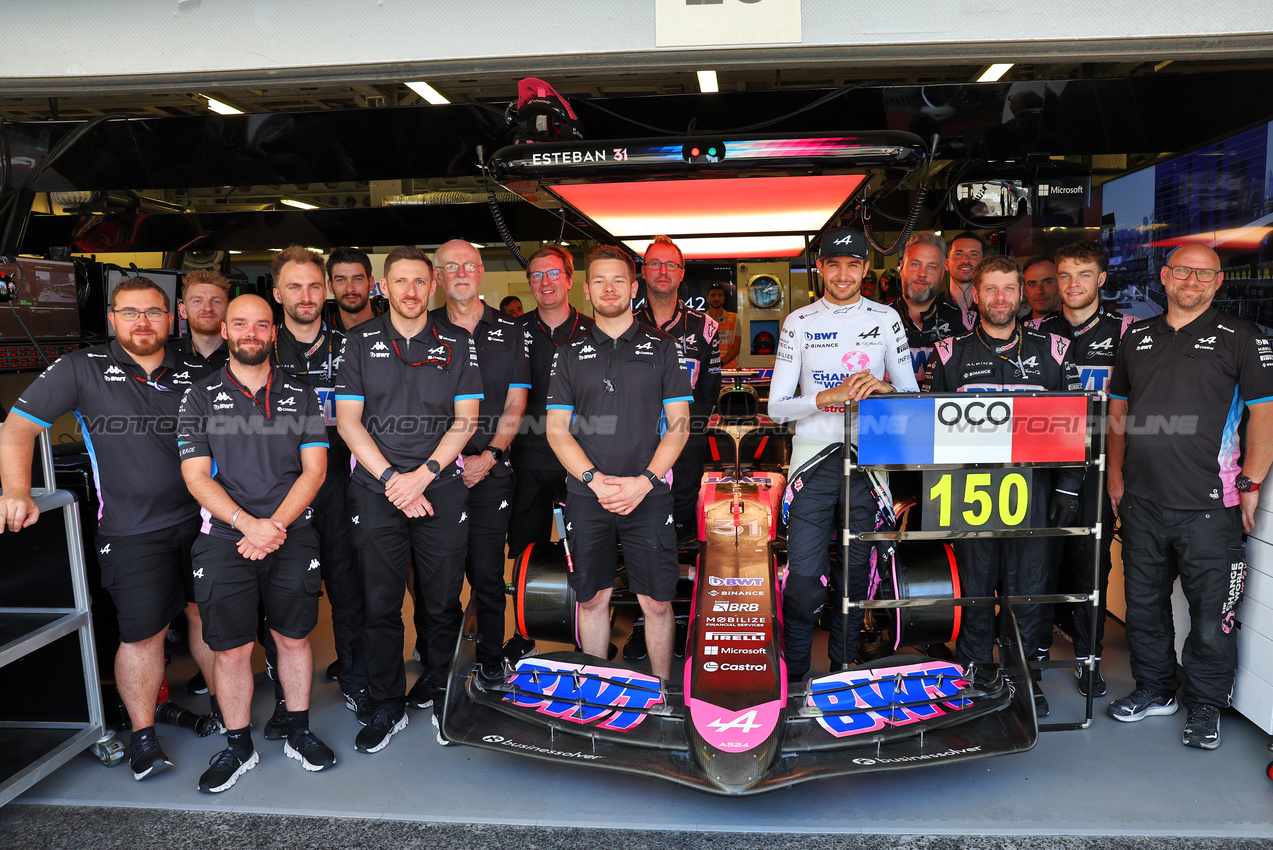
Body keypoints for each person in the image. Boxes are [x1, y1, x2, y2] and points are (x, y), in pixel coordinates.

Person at [0, 276, 220, 782]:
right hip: (131, 531)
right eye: (131, 312)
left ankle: (230, 724)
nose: (143, 322)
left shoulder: (197, 367)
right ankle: (144, 738)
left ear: (172, 318)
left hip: (208, 521)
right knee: (143, 636)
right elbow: (18, 428)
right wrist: (15, 491)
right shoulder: (83, 367)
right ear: (113, 318)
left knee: (208, 620)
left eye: (153, 312)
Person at [1106, 243, 1273, 749]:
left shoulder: (1243, 338)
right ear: (1165, 276)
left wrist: (1251, 482)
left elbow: (1265, 416)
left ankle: (1205, 705)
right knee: (1144, 606)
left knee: (1211, 615)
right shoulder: (1136, 336)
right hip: (1141, 502)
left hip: (1210, 506)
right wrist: (1116, 477)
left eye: (1204, 274)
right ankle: (1156, 690)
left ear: (1219, 282)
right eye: (1183, 271)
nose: (1192, 281)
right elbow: (1118, 413)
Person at [178, 294, 334, 792]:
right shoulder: (198, 397)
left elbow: (315, 470)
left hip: (290, 535)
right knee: (232, 650)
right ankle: (237, 745)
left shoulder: (302, 393)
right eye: (240, 324)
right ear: (225, 331)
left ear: (273, 333)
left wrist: (273, 528)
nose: (251, 332)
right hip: (225, 539)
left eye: (260, 325)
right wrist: (249, 524)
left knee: (292, 637)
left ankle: (299, 730)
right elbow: (196, 477)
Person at [336, 246, 481, 751]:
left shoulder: (459, 343)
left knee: (441, 600)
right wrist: (395, 481)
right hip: (377, 490)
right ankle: (387, 705)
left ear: (433, 285)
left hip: (439, 486)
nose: (411, 292)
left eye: (420, 282)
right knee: (379, 603)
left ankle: (442, 691)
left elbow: (465, 420)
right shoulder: (356, 343)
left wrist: (424, 474)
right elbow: (349, 423)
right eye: (400, 282)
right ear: (383, 287)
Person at [930, 254, 1083, 717]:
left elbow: (1075, 425)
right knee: (975, 587)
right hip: (968, 491)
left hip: (1033, 489)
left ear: (1021, 294)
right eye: (990, 289)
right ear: (975, 295)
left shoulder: (1054, 350)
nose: (1000, 298)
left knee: (1030, 587)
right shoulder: (948, 353)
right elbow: (930, 432)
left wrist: (1069, 487)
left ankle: (1025, 675)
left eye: (1009, 289)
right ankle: (974, 676)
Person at [768, 228, 918, 683]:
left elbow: (912, 396)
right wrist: (823, 397)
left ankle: (842, 672)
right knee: (803, 582)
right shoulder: (799, 321)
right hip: (812, 463)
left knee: (856, 577)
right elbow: (776, 409)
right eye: (833, 263)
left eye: (853, 264)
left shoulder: (887, 317)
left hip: (868, 462)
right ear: (820, 268)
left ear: (866, 270)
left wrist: (884, 388)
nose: (842, 274)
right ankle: (794, 680)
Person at [546, 245, 692, 682]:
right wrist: (593, 480)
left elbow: (680, 425)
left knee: (656, 602)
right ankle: (598, 690)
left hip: (648, 494)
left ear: (634, 287)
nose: (609, 289)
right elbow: (556, 430)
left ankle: (663, 696)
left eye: (618, 280)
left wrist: (644, 482)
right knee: (593, 599)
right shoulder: (568, 352)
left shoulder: (664, 348)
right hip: (588, 496)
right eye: (600, 281)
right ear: (587, 290)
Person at [269, 246, 369, 728]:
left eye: (313, 286)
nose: (305, 296)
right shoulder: (259, 347)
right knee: (281, 596)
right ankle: (282, 699)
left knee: (349, 589)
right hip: (277, 495)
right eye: (294, 286)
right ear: (277, 293)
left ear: (325, 290)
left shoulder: (352, 346)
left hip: (339, 488)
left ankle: (356, 679)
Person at [1032, 241, 1134, 697]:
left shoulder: (1129, 332)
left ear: (1102, 279)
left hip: (1098, 464)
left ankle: (1089, 660)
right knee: (1035, 562)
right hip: (1045, 465)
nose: (1073, 285)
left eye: (1084, 275)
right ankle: (1030, 658)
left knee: (1091, 566)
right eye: (1065, 276)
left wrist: (1122, 470)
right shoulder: (1034, 332)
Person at [430, 240, 529, 686]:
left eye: (468, 264)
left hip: (492, 471)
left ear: (482, 270)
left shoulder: (510, 330)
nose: (461, 272)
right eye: (451, 266)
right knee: (442, 581)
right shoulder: (422, 329)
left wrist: (490, 456)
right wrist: (446, 463)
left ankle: (491, 662)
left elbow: (516, 403)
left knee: (488, 575)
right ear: (438, 276)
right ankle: (443, 670)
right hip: (436, 477)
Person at [631, 235, 720, 660]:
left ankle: (677, 618)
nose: (663, 271)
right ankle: (638, 621)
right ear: (643, 272)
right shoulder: (620, 320)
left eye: (671, 264)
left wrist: (684, 437)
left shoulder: (706, 328)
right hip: (631, 450)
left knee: (678, 533)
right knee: (635, 535)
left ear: (682, 273)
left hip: (685, 451)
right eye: (655, 264)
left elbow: (710, 391)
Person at [506, 246, 594, 663]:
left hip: (583, 459)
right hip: (526, 458)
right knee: (527, 550)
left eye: (553, 274)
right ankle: (525, 634)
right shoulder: (512, 333)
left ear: (570, 279)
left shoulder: (595, 331)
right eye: (537, 275)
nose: (545, 282)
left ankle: (588, 630)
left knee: (587, 547)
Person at [888, 231, 964, 391]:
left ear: (942, 273)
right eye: (915, 264)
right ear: (901, 267)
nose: (922, 274)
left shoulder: (965, 322)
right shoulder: (877, 320)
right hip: (890, 414)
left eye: (931, 266)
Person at [174, 269, 230, 369]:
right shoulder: (167, 355)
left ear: (228, 309)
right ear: (183, 310)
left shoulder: (242, 353)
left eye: (216, 301)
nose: (208, 308)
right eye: (198, 301)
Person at [325, 247, 382, 332]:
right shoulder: (323, 335)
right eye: (341, 280)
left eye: (357, 279)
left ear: (371, 283)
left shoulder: (393, 329)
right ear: (330, 286)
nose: (350, 289)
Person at [942, 231, 985, 332]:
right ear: (947, 264)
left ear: (983, 265)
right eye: (958, 254)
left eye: (973, 254)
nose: (965, 260)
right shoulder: (932, 309)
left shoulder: (992, 308)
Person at [705, 282, 741, 369]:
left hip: (730, 369)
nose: (716, 298)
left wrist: (720, 364)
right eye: (713, 295)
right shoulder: (702, 319)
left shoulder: (734, 318)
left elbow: (736, 349)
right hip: (708, 369)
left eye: (719, 295)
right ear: (707, 299)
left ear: (723, 299)